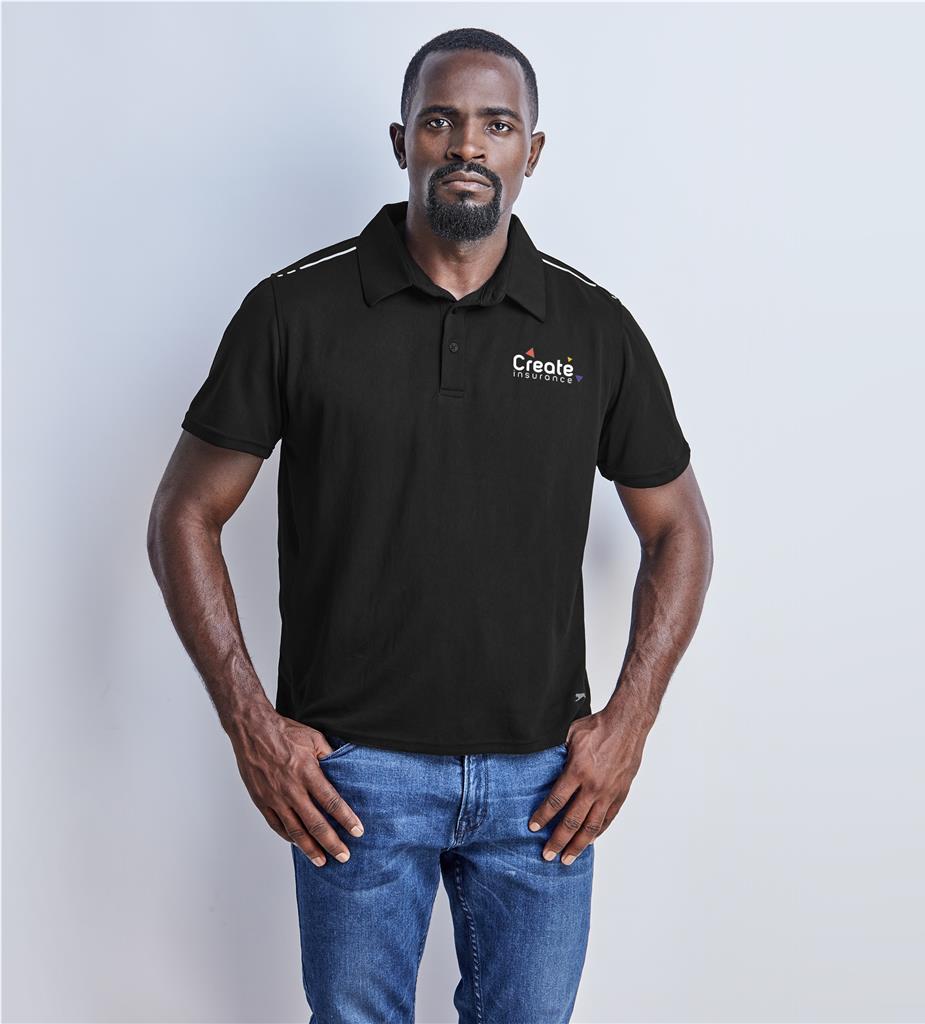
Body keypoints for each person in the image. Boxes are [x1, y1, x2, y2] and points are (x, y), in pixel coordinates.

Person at [147, 25, 713, 1024]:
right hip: (351, 778)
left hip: (545, 782)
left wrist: (627, 726)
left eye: (497, 124)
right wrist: (251, 725)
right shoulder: (294, 312)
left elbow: (679, 529)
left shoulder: (593, 329)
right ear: (401, 139)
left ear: (532, 150)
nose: (468, 145)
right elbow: (184, 514)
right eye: (441, 120)